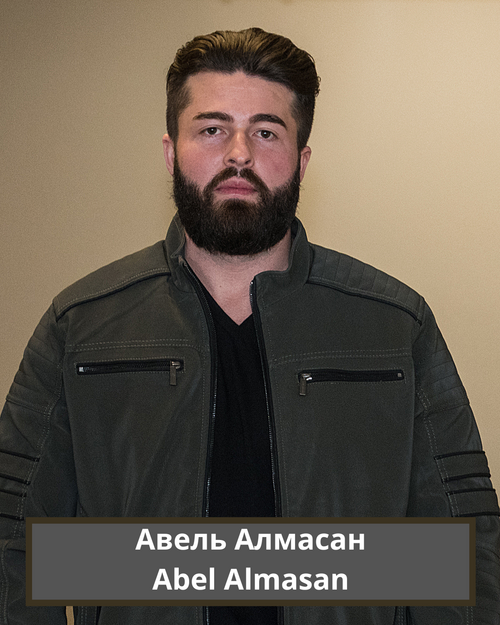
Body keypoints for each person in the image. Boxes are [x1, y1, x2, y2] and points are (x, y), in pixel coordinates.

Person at [0, 27, 498, 625]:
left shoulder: (394, 325)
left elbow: (463, 549)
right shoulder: (81, 326)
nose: (239, 154)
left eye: (266, 132)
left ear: (301, 161)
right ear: (170, 153)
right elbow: (15, 541)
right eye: (212, 129)